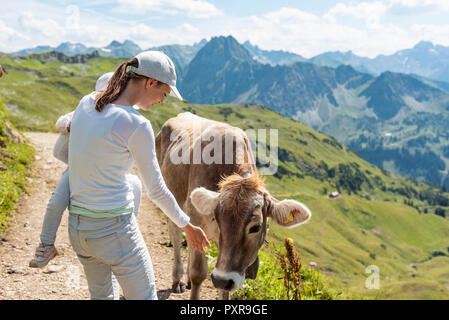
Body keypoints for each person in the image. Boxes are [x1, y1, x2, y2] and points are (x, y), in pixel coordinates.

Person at [67, 51, 210, 300]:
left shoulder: (86, 102)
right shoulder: (137, 125)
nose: (162, 101)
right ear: (150, 82)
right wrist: (187, 226)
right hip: (113, 230)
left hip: (79, 229)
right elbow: (155, 189)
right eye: (163, 93)